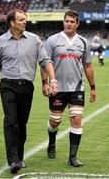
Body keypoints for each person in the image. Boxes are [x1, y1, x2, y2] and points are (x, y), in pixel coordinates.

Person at [0, 9, 57, 174]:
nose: (25, 22)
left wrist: (52, 79)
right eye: (21, 20)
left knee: (22, 123)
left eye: (25, 19)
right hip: (7, 86)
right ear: (12, 23)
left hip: (27, 87)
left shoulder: (34, 39)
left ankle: (19, 157)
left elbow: (45, 60)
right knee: (11, 121)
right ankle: (13, 160)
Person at [41, 10, 96, 167]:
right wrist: (45, 83)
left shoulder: (84, 42)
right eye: (67, 21)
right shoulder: (52, 40)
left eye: (72, 21)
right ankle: (52, 143)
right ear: (63, 22)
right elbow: (45, 63)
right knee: (55, 121)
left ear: (77, 23)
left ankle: (72, 157)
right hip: (56, 87)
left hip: (77, 88)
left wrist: (93, 87)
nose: (69, 24)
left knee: (76, 119)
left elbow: (88, 66)